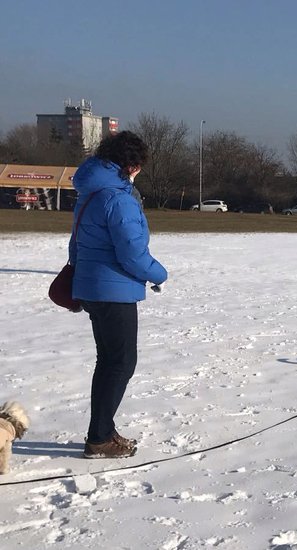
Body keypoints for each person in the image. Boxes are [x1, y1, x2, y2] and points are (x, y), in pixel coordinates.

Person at [70, 131, 168, 458]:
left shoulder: (92, 191)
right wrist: (158, 274)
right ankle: (99, 438)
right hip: (113, 291)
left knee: (110, 361)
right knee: (121, 362)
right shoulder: (117, 198)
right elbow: (131, 253)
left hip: (95, 287)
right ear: (131, 164)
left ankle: (103, 430)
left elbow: (78, 242)